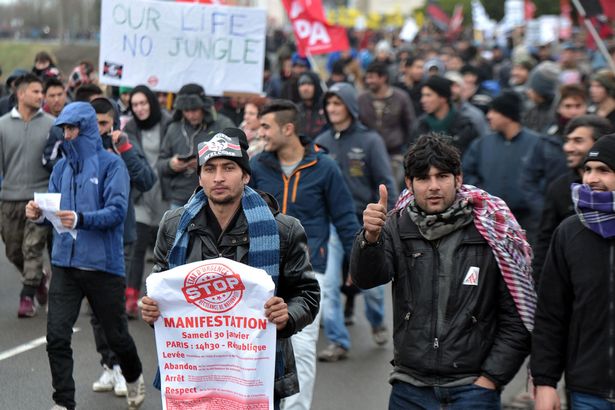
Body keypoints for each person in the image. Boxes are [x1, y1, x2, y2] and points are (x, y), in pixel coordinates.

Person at [140, 127, 320, 410]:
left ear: (246, 175)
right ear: (199, 177)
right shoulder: (174, 226)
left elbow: (308, 295)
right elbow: (159, 286)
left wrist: (288, 315)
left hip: (256, 373)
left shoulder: (283, 230)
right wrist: (151, 309)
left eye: (229, 168)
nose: (219, 177)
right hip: (193, 370)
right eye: (209, 169)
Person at [351, 134, 533, 409]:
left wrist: (491, 379)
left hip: (472, 389)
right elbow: (367, 279)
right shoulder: (396, 226)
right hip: (409, 387)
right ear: (409, 184)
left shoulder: (491, 229)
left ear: (458, 179)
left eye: (442, 176)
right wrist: (370, 238)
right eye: (423, 178)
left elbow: (517, 316)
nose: (434, 186)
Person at [25, 102, 145, 410]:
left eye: (72, 128)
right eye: (63, 129)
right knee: (56, 337)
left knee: (117, 337)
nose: (66, 135)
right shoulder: (62, 167)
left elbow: (118, 211)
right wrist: (38, 214)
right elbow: (53, 209)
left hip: (104, 266)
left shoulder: (112, 165)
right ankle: (63, 402)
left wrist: (81, 219)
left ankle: (133, 377)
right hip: (64, 264)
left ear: (88, 128)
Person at [249, 100, 359, 410]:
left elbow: (346, 219)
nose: (261, 133)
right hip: (263, 274)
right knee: (261, 346)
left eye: (266, 127)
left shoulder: (325, 168)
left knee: (302, 346)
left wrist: (356, 264)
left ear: (288, 128)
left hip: (311, 272)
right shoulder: (257, 166)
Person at [314, 82, 397, 361]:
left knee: (371, 288)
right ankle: (338, 341)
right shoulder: (321, 142)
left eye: (338, 103)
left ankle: (376, 321)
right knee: (328, 287)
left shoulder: (370, 140)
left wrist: (390, 219)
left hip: (366, 224)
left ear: (350, 105)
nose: (332, 109)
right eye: (329, 104)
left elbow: (385, 182)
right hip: (333, 226)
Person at [532, 134, 615, 410]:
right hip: (587, 390)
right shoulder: (570, 232)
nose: (591, 179)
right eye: (588, 170)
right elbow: (551, 314)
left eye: (604, 170)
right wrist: (544, 382)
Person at [87, 96, 156, 398]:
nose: (99, 130)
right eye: (94, 124)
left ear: (113, 122)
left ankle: (123, 368)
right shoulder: (80, 147)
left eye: (104, 123)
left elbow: (147, 180)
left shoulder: (123, 143)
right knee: (94, 309)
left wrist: (124, 148)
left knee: (111, 308)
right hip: (88, 237)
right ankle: (109, 364)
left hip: (120, 237)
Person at [532, 115, 613, 282]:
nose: (568, 147)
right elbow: (544, 242)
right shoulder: (559, 189)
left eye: (578, 141)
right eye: (567, 140)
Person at [0, 73, 54, 317]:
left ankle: (27, 296)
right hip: (9, 198)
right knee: (13, 251)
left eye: (42, 92)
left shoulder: (51, 124)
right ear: (21, 94)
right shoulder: (2, 125)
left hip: (39, 197)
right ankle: (37, 278)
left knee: (32, 248)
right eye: (36, 92)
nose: (40, 96)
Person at [123, 85, 172, 318]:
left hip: (165, 193)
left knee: (165, 249)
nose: (140, 109)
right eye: (135, 105)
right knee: (136, 246)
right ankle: (131, 295)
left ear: (152, 102)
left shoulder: (168, 122)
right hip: (141, 194)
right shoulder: (130, 128)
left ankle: (165, 297)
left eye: (143, 103)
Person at [463, 91, 540, 239]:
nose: (488, 116)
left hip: (528, 222)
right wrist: (483, 194)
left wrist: (533, 201)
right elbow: (466, 173)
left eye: (494, 111)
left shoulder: (536, 144)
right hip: (490, 221)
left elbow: (546, 177)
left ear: (508, 115)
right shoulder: (482, 144)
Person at [157, 83, 234, 208]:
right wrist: (171, 164)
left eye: (194, 110)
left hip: (213, 198)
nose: (191, 115)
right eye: (186, 111)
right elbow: (160, 164)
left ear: (204, 107)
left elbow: (235, 159)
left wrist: (204, 162)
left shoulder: (222, 125)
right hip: (179, 198)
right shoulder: (173, 128)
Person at [358, 61, 416, 186]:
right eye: (367, 77)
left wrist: (407, 151)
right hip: (367, 155)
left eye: (372, 77)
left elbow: (410, 126)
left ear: (383, 77)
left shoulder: (401, 97)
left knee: (392, 188)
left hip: (394, 154)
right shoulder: (361, 99)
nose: (368, 81)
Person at [411, 75, 478, 155]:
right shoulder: (420, 125)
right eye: (423, 95)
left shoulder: (465, 126)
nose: (423, 100)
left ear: (443, 98)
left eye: (428, 95)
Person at [296, 71, 326, 140]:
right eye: (302, 84)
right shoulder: (295, 111)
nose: (305, 88)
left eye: (309, 84)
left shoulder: (326, 110)